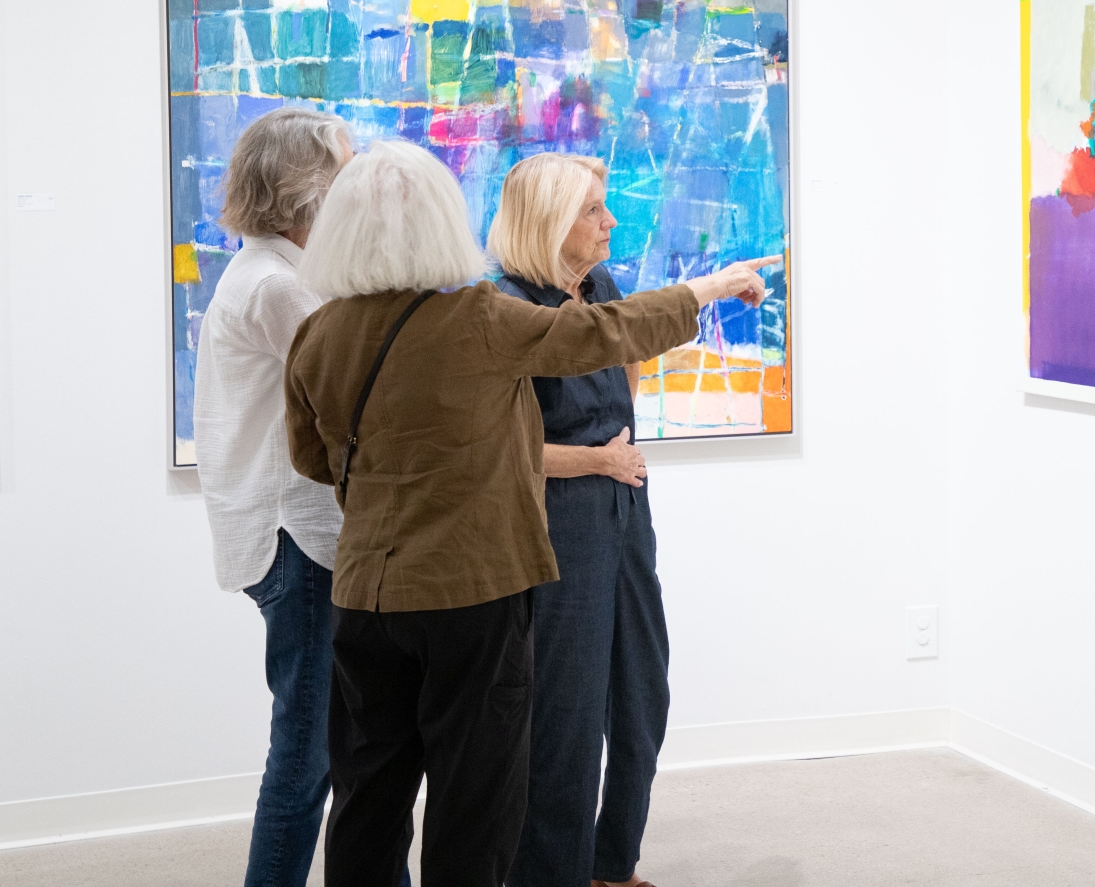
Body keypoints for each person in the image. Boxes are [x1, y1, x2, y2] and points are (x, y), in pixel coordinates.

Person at [283, 141, 776, 887]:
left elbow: (313, 460)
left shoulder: (318, 332)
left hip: (365, 596)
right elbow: (604, 334)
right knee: (474, 802)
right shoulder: (477, 315)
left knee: (368, 798)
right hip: (471, 594)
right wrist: (706, 289)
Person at [192, 107, 412, 887]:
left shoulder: (274, 273)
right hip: (299, 539)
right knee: (307, 751)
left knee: (342, 739)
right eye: (345, 168)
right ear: (306, 186)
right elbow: (361, 390)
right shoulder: (278, 285)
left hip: (298, 537)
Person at [490, 153, 702, 887]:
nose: (610, 221)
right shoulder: (507, 308)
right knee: (566, 715)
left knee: (642, 694)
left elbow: (625, 365)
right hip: (558, 525)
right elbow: (500, 448)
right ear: (549, 221)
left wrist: (615, 459)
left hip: (624, 512)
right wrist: (596, 461)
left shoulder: (600, 285)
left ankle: (611, 865)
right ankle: (554, 872)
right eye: (592, 210)